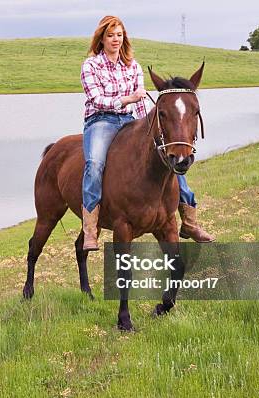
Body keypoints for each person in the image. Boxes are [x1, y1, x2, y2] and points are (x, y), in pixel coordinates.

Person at [80, 15, 215, 251]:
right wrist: (126, 100)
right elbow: (96, 99)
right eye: (110, 35)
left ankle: (190, 220)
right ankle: (90, 230)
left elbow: (142, 104)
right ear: (101, 38)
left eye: (119, 35)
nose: (115, 40)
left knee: (170, 157)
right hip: (100, 120)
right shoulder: (91, 65)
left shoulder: (133, 66)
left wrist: (148, 126)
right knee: (94, 164)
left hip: (131, 120)